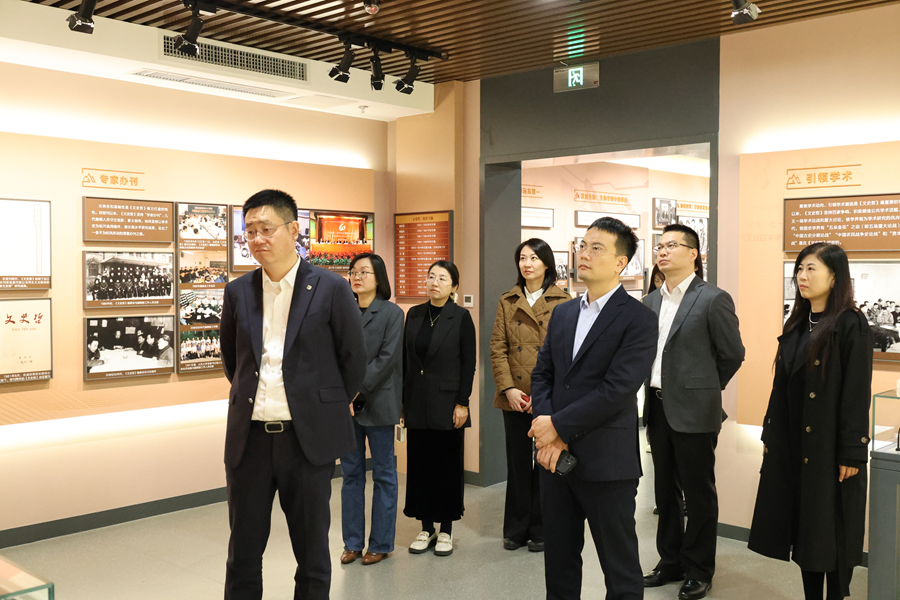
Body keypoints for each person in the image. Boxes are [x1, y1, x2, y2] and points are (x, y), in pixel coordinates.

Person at [219, 189, 366, 600]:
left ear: (293, 229)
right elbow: (234, 363)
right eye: (250, 231)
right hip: (249, 440)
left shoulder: (330, 288)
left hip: (306, 441)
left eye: (266, 229)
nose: (257, 239)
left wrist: (319, 405)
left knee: (312, 552)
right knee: (243, 553)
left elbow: (353, 359)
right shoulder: (238, 291)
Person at [529, 217, 658, 600]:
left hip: (607, 463)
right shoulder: (564, 312)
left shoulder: (638, 319)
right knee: (559, 563)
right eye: (582, 245)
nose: (584, 253)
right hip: (555, 462)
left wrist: (556, 428)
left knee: (620, 570)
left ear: (621, 263)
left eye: (596, 248)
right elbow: (543, 374)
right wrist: (548, 431)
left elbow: (616, 391)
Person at [748, 242, 872, 600]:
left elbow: (856, 393)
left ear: (834, 277)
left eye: (811, 268)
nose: (802, 276)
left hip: (830, 448)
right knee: (806, 533)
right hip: (795, 444)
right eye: (799, 269)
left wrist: (852, 451)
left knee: (831, 531)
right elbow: (780, 387)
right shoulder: (798, 323)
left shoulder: (850, 323)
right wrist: (770, 434)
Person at [642, 223, 745, 600]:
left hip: (695, 411)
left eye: (671, 245)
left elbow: (732, 354)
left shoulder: (713, 298)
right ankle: (670, 561)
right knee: (665, 491)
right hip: (657, 407)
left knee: (698, 493)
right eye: (660, 246)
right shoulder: (651, 301)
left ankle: (699, 569)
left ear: (693, 254)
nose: (663, 251)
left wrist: (704, 388)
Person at [489, 238, 569, 553]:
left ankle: (543, 528)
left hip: (546, 397)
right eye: (522, 258)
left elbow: (565, 353)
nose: (527, 264)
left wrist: (544, 394)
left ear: (546, 263)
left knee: (545, 462)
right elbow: (498, 347)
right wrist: (508, 388)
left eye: (534, 258)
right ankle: (516, 528)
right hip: (514, 397)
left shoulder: (563, 301)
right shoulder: (507, 300)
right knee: (518, 464)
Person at [403, 260, 476, 558]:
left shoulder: (461, 317)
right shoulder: (414, 314)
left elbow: (468, 365)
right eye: (431, 276)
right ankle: (426, 527)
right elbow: (406, 362)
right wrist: (403, 402)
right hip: (416, 403)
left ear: (454, 286)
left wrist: (463, 402)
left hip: (448, 405)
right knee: (420, 466)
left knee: (446, 467)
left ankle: (446, 529)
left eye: (442, 278)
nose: (434, 282)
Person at [339, 253, 404, 567]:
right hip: (345, 406)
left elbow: (387, 358)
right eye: (354, 272)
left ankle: (380, 543)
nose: (357, 277)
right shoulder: (342, 310)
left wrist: (357, 389)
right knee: (350, 475)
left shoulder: (392, 313)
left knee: (384, 475)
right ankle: (352, 543)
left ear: (379, 278)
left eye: (364, 272)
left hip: (378, 402)